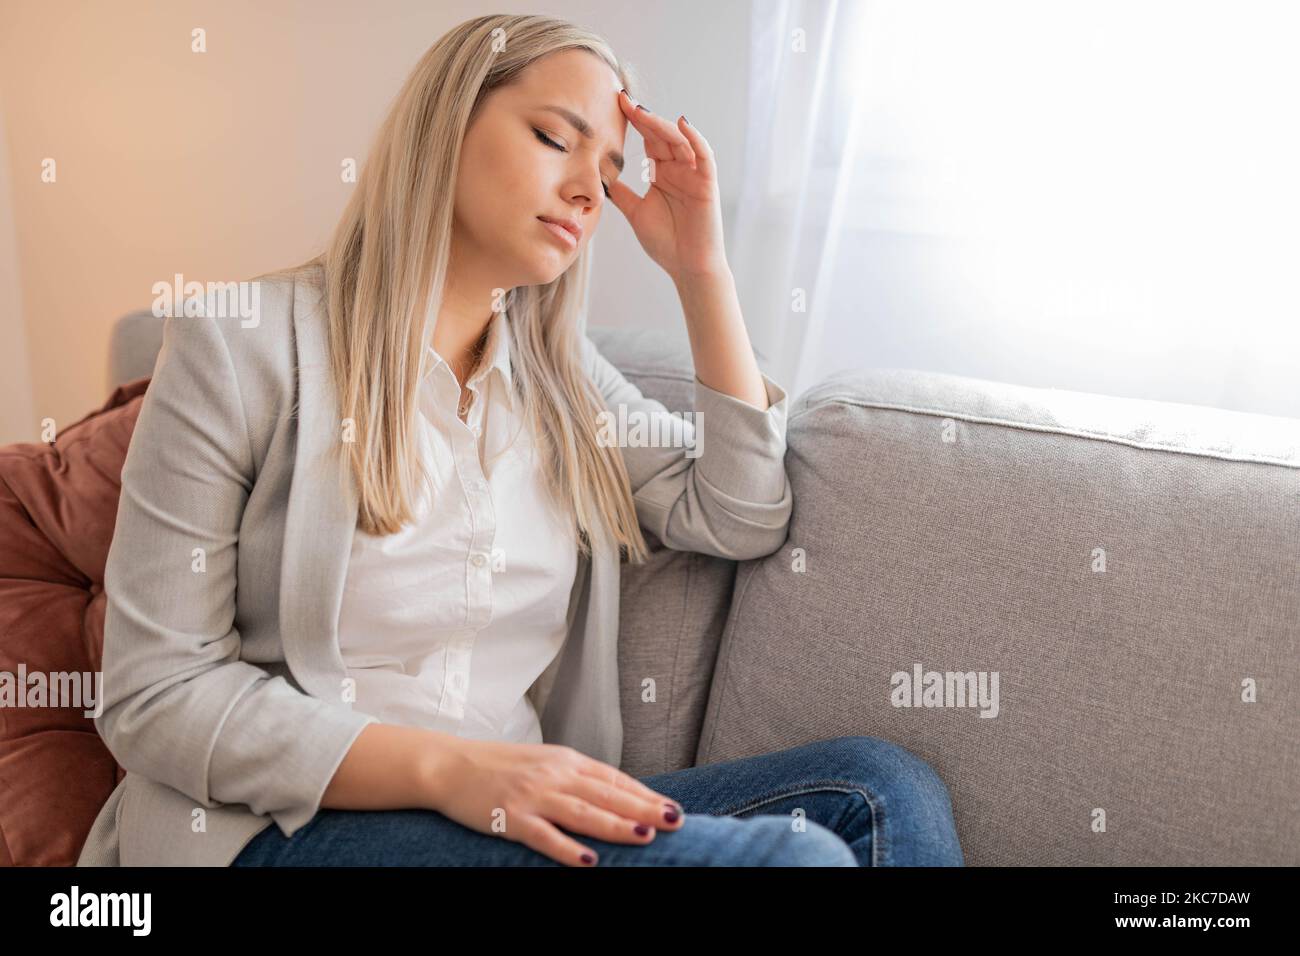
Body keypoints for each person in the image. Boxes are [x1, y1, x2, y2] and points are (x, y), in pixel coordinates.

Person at [80, 13, 963, 868]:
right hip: (286, 823)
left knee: (884, 790)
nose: (589, 188)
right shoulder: (242, 345)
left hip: (509, 812)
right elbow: (157, 694)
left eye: (610, 168)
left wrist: (702, 271)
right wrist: (458, 772)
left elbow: (740, 515)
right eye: (555, 138)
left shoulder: (559, 379)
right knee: (790, 861)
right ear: (446, 125)